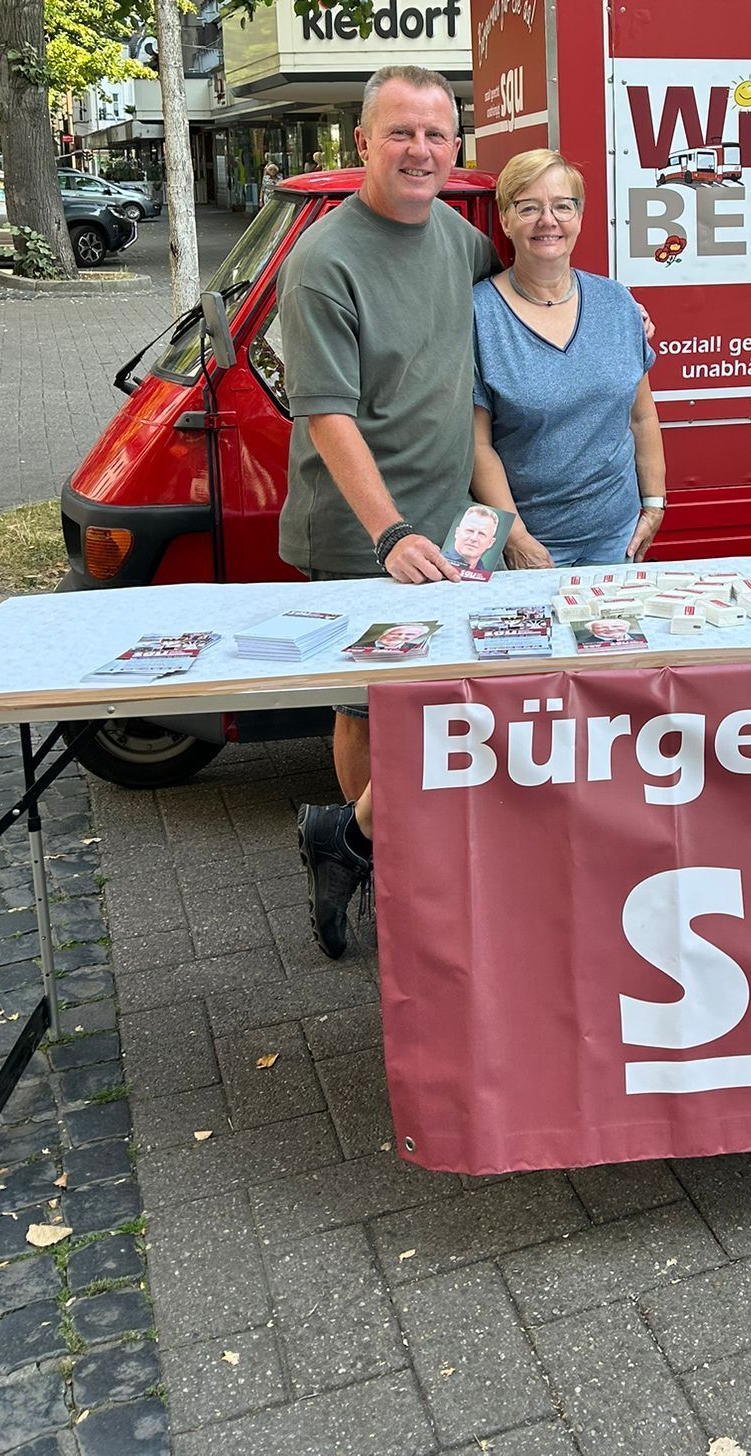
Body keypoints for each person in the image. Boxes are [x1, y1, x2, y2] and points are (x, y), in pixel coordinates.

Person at [281, 65, 495, 957]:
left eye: (436, 134)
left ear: (455, 147)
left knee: (447, 702)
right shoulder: (323, 262)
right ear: (362, 142)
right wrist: (389, 532)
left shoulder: (460, 240)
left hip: (453, 524)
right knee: (372, 707)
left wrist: (614, 316)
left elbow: (525, 305)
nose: (420, 150)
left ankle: (352, 840)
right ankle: (382, 871)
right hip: (362, 531)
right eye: (400, 132)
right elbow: (327, 416)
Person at [471, 149, 666, 568]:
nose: (549, 220)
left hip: (617, 539)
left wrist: (654, 503)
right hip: (531, 546)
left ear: (579, 216)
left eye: (563, 206)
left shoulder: (617, 302)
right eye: (529, 207)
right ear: (505, 220)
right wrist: (514, 537)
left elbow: (641, 416)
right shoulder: (478, 314)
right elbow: (476, 444)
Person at [443, 503, 501, 574]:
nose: (474, 538)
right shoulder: (440, 563)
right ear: (457, 532)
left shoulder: (485, 573)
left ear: (490, 543)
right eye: (469, 531)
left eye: (481, 534)